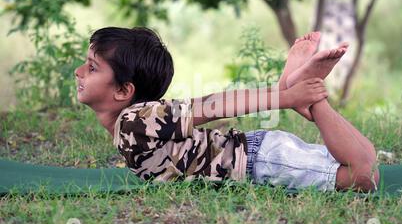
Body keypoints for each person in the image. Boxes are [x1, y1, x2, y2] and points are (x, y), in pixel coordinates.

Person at [74, 27, 379, 192]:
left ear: (123, 91)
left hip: (262, 164)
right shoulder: (132, 124)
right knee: (367, 160)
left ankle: (304, 92)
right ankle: (303, 90)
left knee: (364, 177)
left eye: (92, 67)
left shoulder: (134, 121)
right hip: (260, 153)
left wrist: (284, 98)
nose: (79, 72)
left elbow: (213, 105)